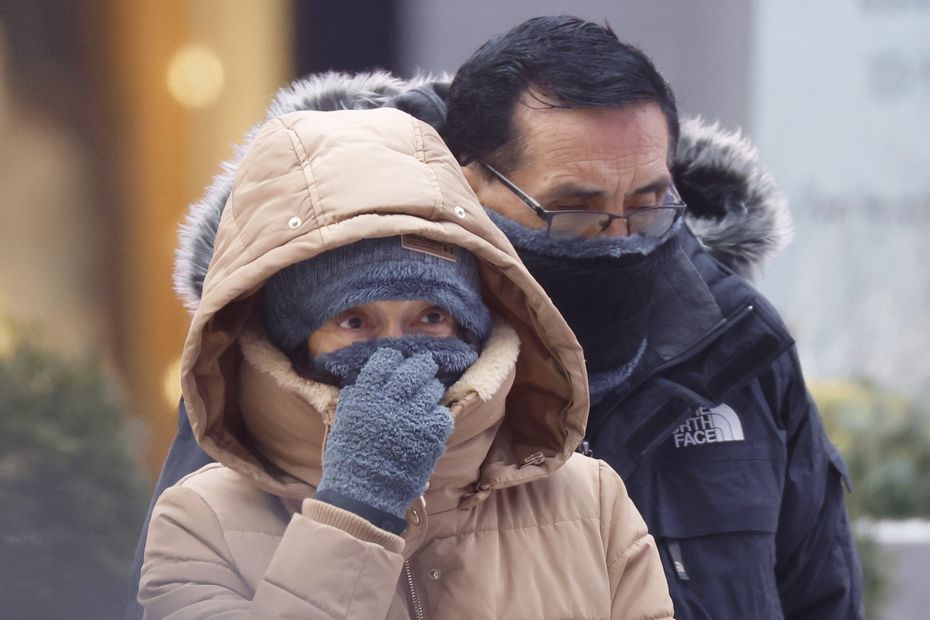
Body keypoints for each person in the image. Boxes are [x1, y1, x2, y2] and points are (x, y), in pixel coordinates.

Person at [127, 16, 863, 619]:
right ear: (467, 180)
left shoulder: (733, 346)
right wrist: (353, 512)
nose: (620, 241)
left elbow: (820, 596)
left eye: (647, 205)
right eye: (573, 208)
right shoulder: (294, 372)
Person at [136, 106, 674, 618]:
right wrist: (355, 508)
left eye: (431, 317)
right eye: (354, 322)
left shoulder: (591, 501)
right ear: (294, 339)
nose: (396, 349)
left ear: (471, 323)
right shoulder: (201, 521)